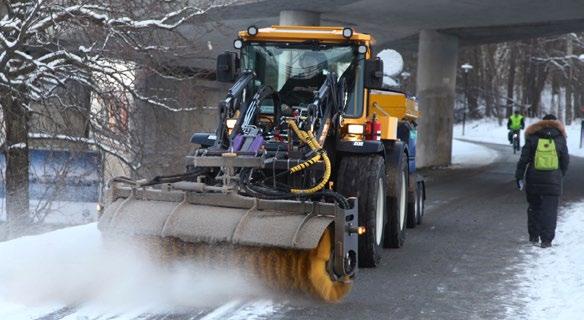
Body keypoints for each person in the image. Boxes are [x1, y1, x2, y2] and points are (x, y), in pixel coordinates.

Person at [515, 114, 569, 248]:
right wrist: (559, 174)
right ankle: (546, 240)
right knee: (550, 210)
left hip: (534, 179)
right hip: (553, 180)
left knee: (534, 207)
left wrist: (519, 176)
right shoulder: (561, 139)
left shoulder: (532, 137)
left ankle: (534, 236)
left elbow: (523, 159)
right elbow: (565, 161)